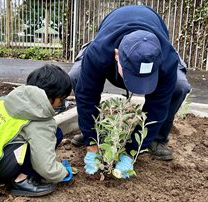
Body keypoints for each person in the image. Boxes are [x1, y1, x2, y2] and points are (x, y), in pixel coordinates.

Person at [68, 5, 191, 177]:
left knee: (180, 87)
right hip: (109, 36)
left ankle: (157, 139)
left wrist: (130, 152)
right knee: (76, 76)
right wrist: (92, 144)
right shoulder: (100, 52)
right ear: (117, 56)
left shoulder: (166, 59)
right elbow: (87, 95)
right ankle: (92, 132)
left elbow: (157, 108)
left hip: (156, 43)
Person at [0, 64, 73, 196]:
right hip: (0, 168)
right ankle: (21, 180)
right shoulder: (39, 121)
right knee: (56, 134)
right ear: (49, 98)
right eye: (61, 99)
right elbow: (45, 167)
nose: (62, 103)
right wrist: (63, 172)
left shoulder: (10, 101)